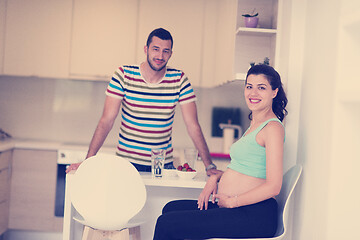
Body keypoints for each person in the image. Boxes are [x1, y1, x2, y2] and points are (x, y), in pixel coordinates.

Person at [153, 64, 288, 239]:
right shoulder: (254, 125)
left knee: (167, 223)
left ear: (274, 92)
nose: (253, 93)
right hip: (238, 208)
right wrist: (216, 177)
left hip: (254, 214)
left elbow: (274, 186)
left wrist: (233, 202)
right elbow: (248, 171)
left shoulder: (273, 128)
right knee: (170, 209)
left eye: (261, 88)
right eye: (249, 86)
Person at [66, 28, 220, 175]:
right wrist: (88, 161)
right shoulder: (124, 75)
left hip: (162, 167)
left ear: (171, 54)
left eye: (166, 51)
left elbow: (193, 125)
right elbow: (106, 121)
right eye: (155, 49)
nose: (160, 55)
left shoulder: (179, 79)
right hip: (126, 165)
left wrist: (209, 165)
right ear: (146, 49)